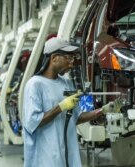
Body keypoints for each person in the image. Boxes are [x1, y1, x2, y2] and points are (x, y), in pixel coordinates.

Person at [22, 37, 124, 167]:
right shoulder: (35, 84)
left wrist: (102, 110)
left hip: (67, 155)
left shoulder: (66, 83)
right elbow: (32, 121)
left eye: (72, 59)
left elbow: (76, 117)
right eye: (68, 59)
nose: (71, 64)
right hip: (44, 156)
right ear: (54, 58)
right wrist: (61, 107)